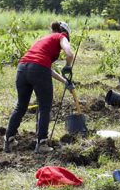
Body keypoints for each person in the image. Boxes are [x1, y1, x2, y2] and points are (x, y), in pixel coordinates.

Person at [4, 21, 75, 154]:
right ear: (65, 32)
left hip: (22, 68)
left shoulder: (43, 39)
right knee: (44, 107)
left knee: (21, 106)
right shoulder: (61, 36)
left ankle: (9, 140)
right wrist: (68, 66)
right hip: (38, 69)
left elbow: (43, 67)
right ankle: (42, 143)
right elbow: (69, 54)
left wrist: (64, 80)